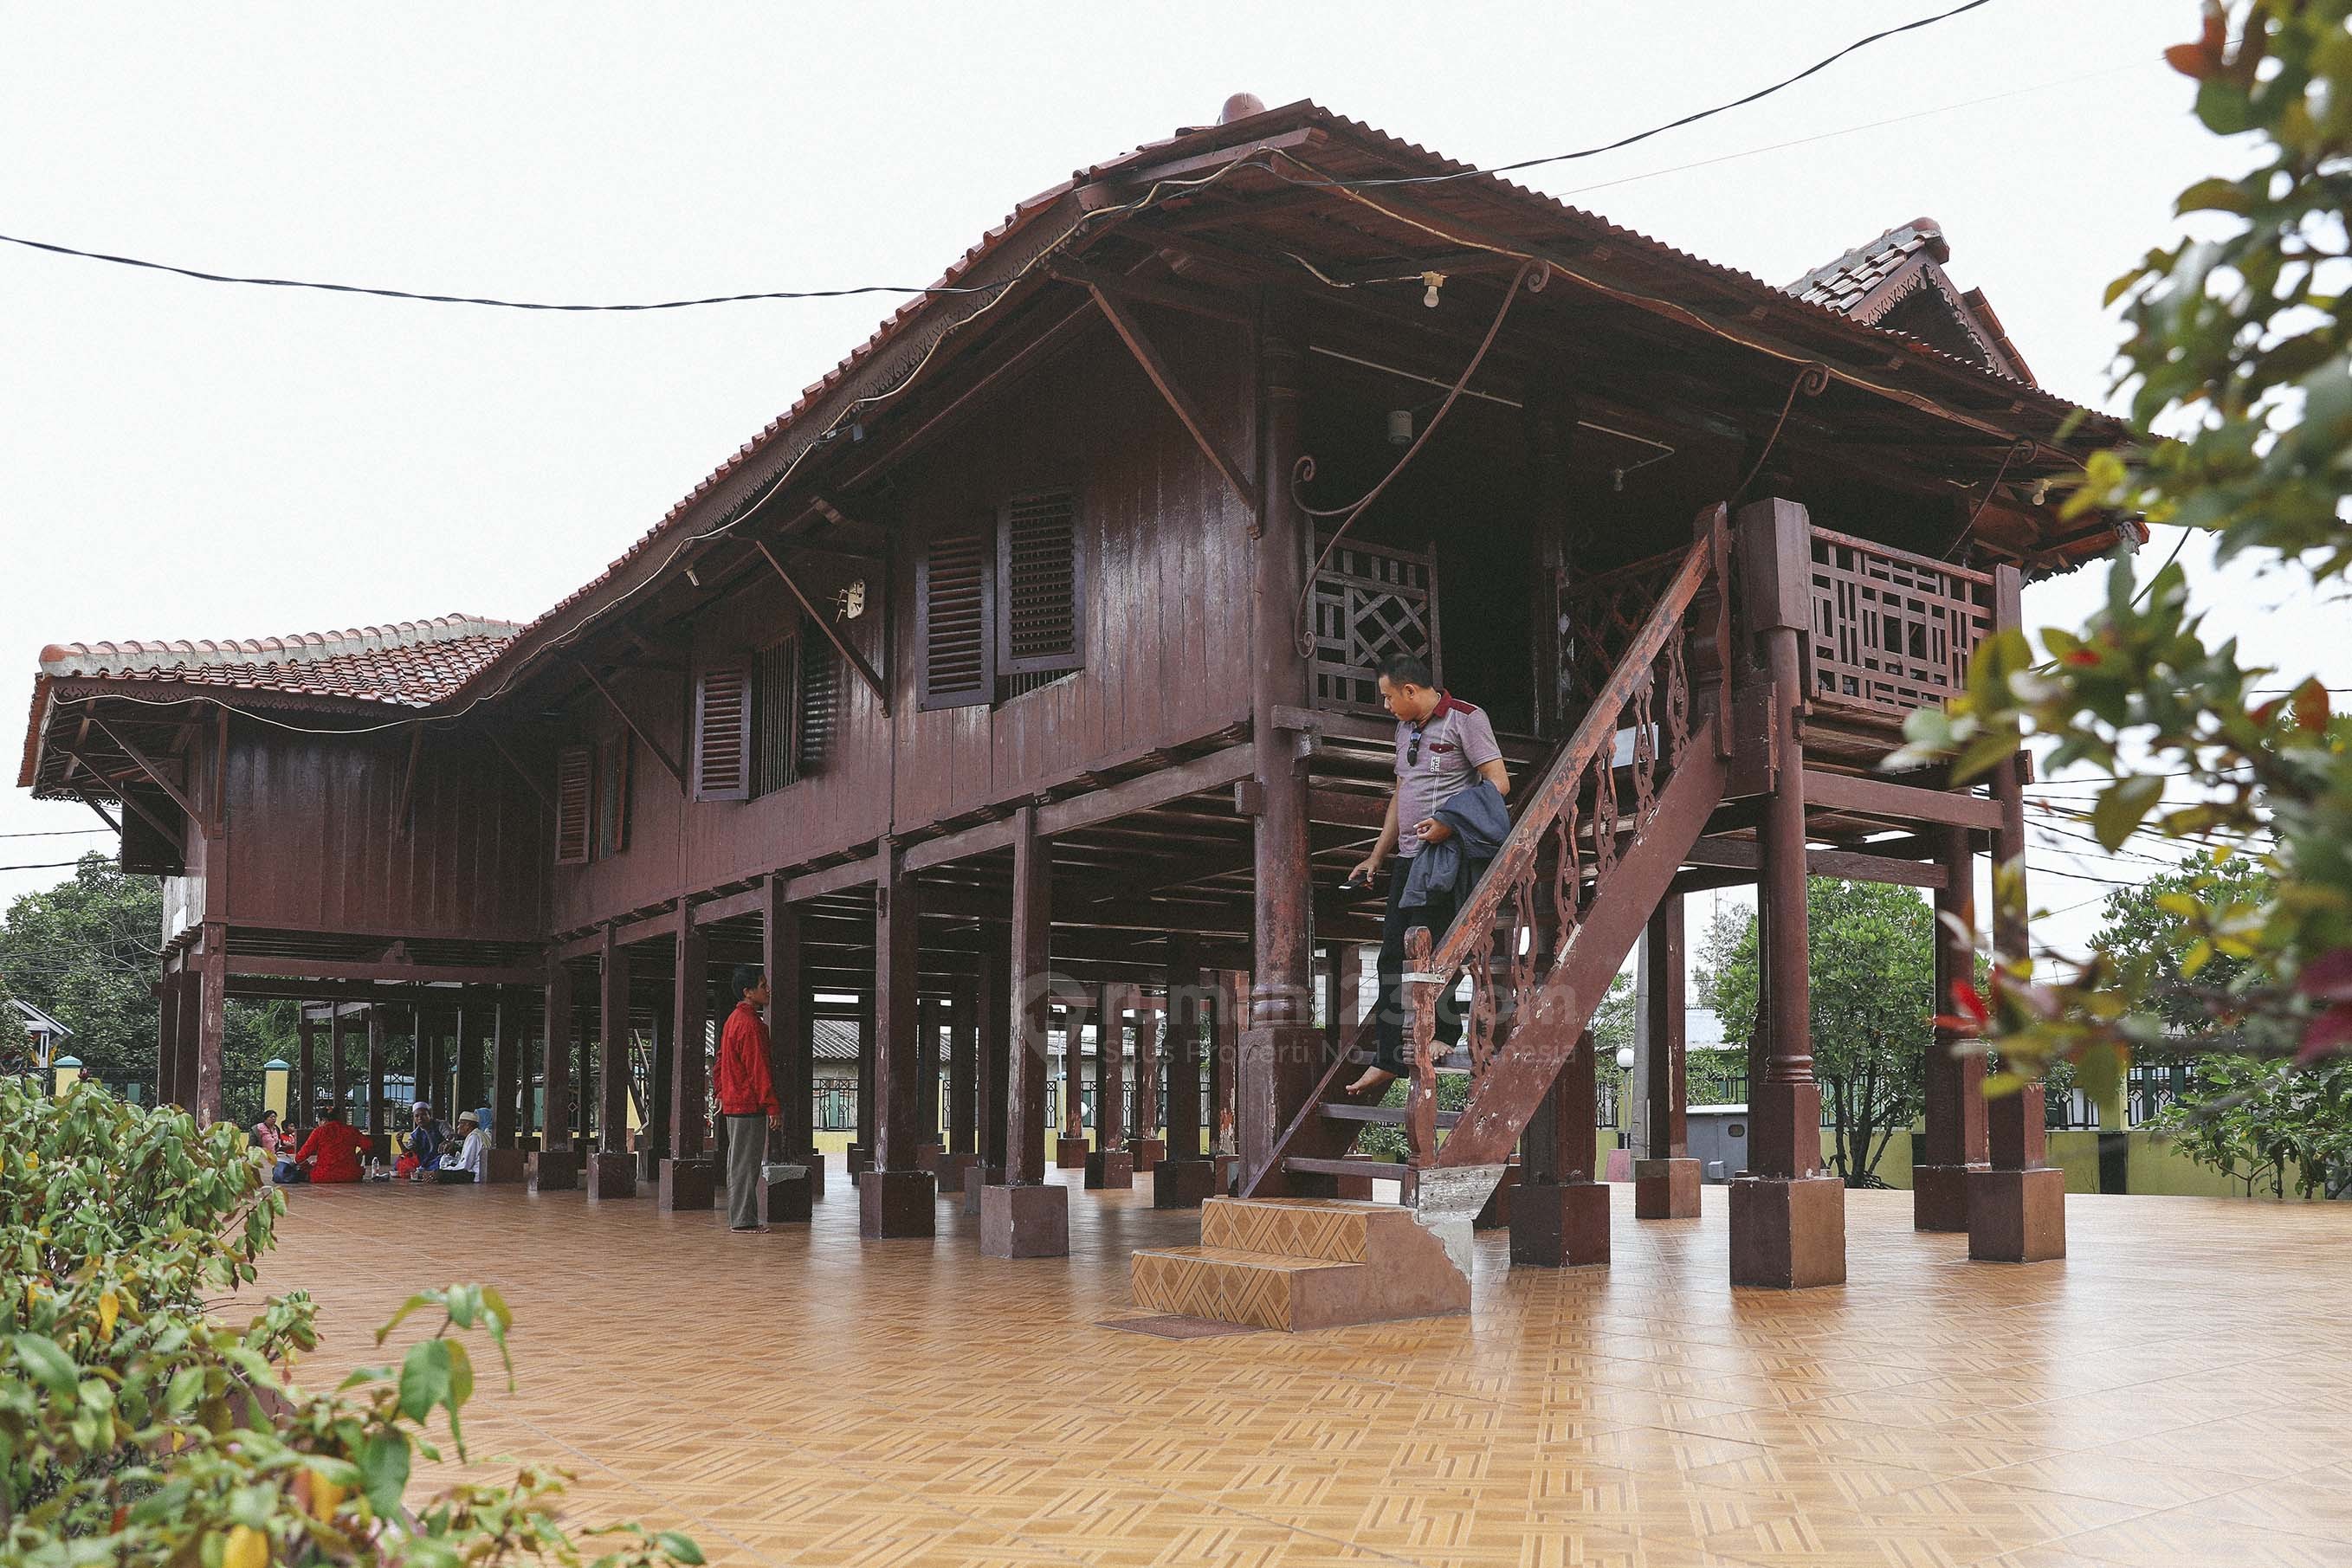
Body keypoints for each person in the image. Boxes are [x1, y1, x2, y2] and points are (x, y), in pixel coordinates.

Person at [1347, 653, 1509, 1095]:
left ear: (1410, 691)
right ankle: (1386, 1058)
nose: (1386, 707)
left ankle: (1444, 1034)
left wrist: (1450, 822)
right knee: (1390, 957)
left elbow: (1497, 782)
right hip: (1407, 858)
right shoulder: (1404, 731)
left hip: (1447, 854)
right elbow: (1403, 793)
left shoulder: (1467, 719)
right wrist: (1377, 856)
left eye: (1387, 698)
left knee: (1439, 950)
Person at [714, 964, 782, 1233]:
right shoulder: (752, 1025)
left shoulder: (732, 1021)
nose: (768, 990)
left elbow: (719, 1062)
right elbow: (759, 1069)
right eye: (763, 985)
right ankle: (743, 1221)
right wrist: (772, 1105)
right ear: (748, 992)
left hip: (734, 1103)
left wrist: (720, 1092)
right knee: (746, 1164)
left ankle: (742, 1218)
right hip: (748, 1104)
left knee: (739, 1161)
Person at [292, 1100, 370, 1184]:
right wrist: (360, 1154)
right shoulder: (351, 1130)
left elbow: (303, 1154)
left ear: (324, 1120)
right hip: (350, 1175)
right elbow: (368, 1144)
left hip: (324, 1176)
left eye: (318, 1121)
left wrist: (295, 1162)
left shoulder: (319, 1131)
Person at [435, 1112, 488, 1183]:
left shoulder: (474, 1137)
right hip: (476, 1174)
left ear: (468, 1125)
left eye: (460, 1123)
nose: (458, 1127)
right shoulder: (478, 1134)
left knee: (440, 1174)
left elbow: (465, 1166)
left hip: (475, 1176)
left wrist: (447, 1169)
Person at [397, 1102, 444, 1181]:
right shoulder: (415, 1134)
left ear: (429, 1115)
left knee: (440, 1165)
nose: (420, 1118)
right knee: (399, 1162)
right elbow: (409, 1154)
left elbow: (451, 1136)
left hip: (440, 1158)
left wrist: (447, 1142)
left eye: (423, 1115)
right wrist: (399, 1142)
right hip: (425, 1162)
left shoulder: (441, 1125)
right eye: (417, 1116)